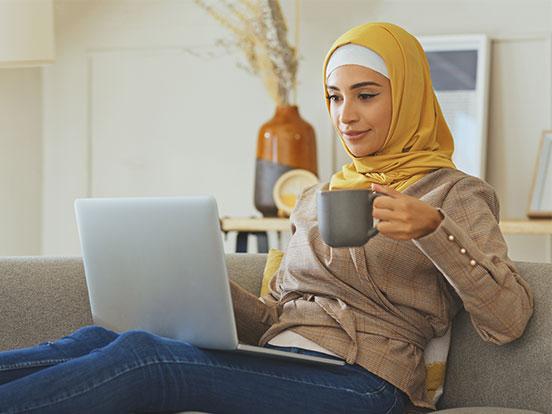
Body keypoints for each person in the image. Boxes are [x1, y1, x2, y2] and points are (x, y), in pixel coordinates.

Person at [0, 22, 533, 414]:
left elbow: (508, 319)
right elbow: (277, 317)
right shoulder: (317, 196)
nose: (345, 115)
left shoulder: (453, 193)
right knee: (103, 339)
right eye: (334, 97)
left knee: (148, 360)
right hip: (288, 361)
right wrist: (197, 276)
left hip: (367, 383)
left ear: (410, 95)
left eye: (366, 96)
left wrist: (433, 230)